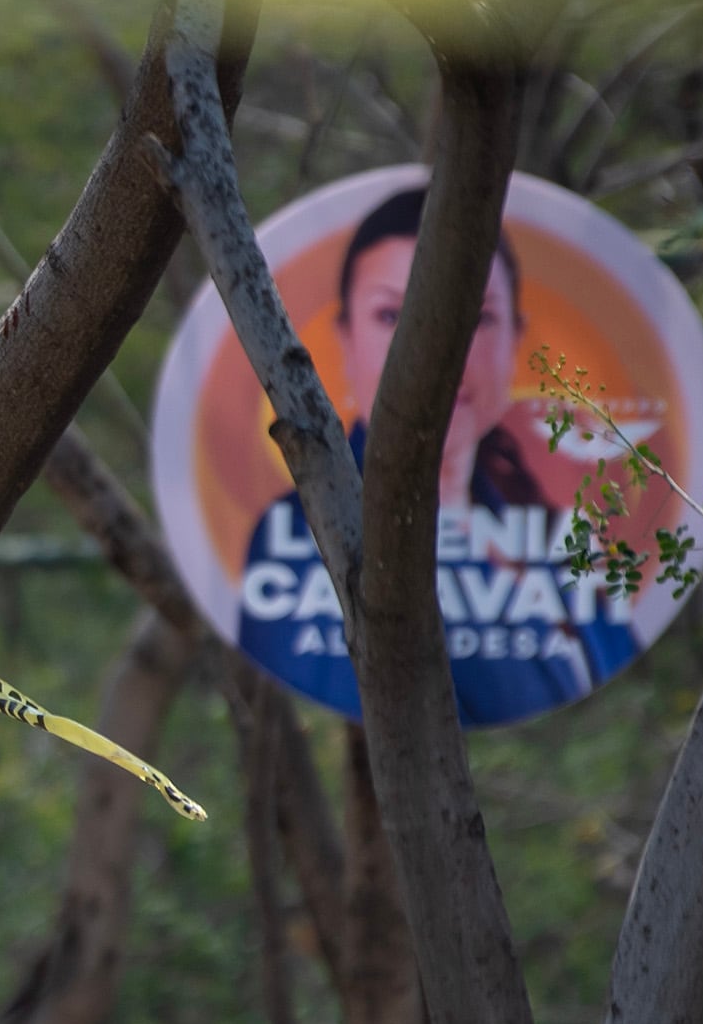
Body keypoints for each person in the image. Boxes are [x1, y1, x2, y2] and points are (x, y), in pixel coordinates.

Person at [234, 187, 637, 726]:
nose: (432, 349)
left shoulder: (562, 541)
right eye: (391, 314)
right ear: (345, 339)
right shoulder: (294, 532)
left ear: (516, 339)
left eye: (474, 319)